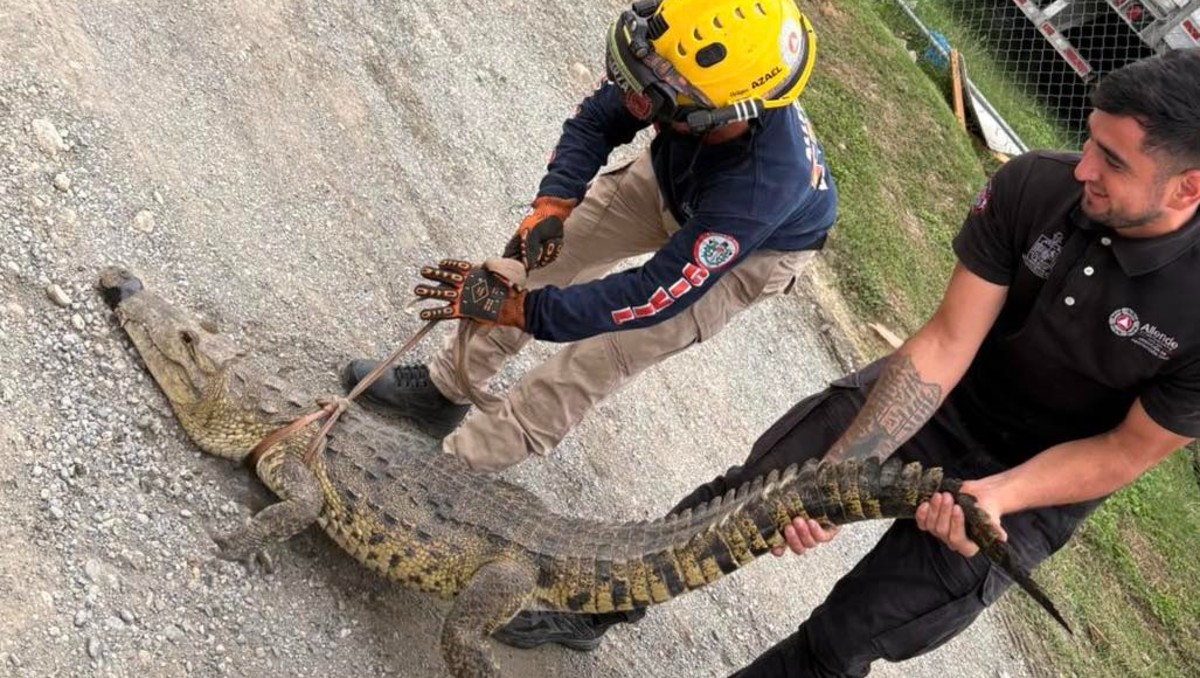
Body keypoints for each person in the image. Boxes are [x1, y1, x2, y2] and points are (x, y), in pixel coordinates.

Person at [495, 48, 1200, 675]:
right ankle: (596, 607)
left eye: (1113, 161)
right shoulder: (1038, 185)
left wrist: (998, 496)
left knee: (845, 639)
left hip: (1041, 477)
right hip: (945, 396)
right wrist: (831, 481)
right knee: (749, 494)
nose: (1084, 167)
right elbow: (946, 344)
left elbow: (1123, 452)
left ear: (1187, 188)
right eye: (1090, 140)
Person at [343, 0, 838, 471]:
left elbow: (651, 294)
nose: (650, 81)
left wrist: (525, 312)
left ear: (720, 112)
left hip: (753, 252)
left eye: (666, 84)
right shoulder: (678, 66)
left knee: (603, 355)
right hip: (673, 177)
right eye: (652, 66)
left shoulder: (763, 186)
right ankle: (442, 390)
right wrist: (554, 202)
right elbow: (598, 120)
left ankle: (451, 470)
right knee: (539, 262)